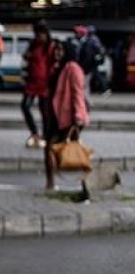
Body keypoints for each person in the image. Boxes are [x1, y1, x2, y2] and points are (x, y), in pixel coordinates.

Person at [44, 40, 89, 190]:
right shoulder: (58, 67)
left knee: (70, 148)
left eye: (61, 50)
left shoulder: (73, 68)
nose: (58, 53)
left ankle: (82, 183)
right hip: (56, 115)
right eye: (56, 49)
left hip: (69, 117)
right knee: (55, 148)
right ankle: (51, 182)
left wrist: (78, 117)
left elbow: (77, 93)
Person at [21, 21, 54, 149]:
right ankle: (34, 132)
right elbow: (26, 58)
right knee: (25, 106)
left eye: (41, 33)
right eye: (37, 33)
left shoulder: (51, 46)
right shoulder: (32, 45)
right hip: (32, 82)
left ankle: (46, 136)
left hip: (45, 83)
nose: (39, 36)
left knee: (44, 111)